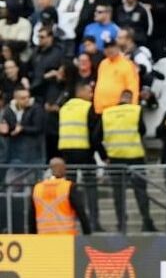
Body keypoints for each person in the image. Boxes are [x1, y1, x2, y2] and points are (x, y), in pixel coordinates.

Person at [102, 89, 157, 232]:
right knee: (140, 191)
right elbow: (143, 130)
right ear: (131, 98)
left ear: (120, 98)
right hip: (135, 158)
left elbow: (96, 137)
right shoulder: (136, 110)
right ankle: (146, 222)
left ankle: (121, 224)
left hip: (115, 159)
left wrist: (105, 155)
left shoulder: (107, 113)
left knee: (118, 193)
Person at [57, 83, 106, 231]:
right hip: (84, 151)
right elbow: (94, 136)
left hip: (66, 151)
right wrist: (103, 155)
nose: (91, 95)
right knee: (91, 187)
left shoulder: (64, 108)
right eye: (90, 92)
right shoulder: (88, 107)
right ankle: (93, 222)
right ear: (81, 92)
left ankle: (69, 219)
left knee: (69, 189)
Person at [29, 157, 91, 235]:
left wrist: (32, 237)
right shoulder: (68, 186)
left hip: (44, 237)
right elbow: (81, 212)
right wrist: (87, 233)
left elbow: (31, 217)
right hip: (66, 237)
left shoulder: (37, 188)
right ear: (63, 169)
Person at [1, 87, 45, 165]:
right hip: (13, 149)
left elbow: (38, 128)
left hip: (32, 150)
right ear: (16, 99)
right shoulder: (8, 109)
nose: (27, 100)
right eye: (23, 98)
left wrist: (22, 129)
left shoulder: (36, 108)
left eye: (28, 97)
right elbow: (7, 126)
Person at [93, 39, 139, 113]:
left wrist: (132, 109)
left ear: (118, 48)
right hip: (100, 110)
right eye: (106, 47)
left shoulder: (127, 64)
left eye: (112, 46)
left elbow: (133, 88)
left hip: (118, 111)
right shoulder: (102, 64)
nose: (109, 49)